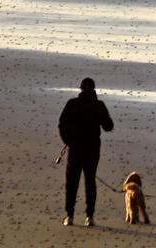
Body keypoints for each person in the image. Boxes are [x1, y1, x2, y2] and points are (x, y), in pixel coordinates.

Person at [58, 77, 114, 227]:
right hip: (92, 149)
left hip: (75, 149)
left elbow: (62, 124)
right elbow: (108, 127)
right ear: (94, 89)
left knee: (72, 183)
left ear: (81, 89)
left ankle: (69, 216)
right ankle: (90, 216)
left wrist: (68, 141)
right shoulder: (99, 105)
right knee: (90, 182)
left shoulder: (72, 104)